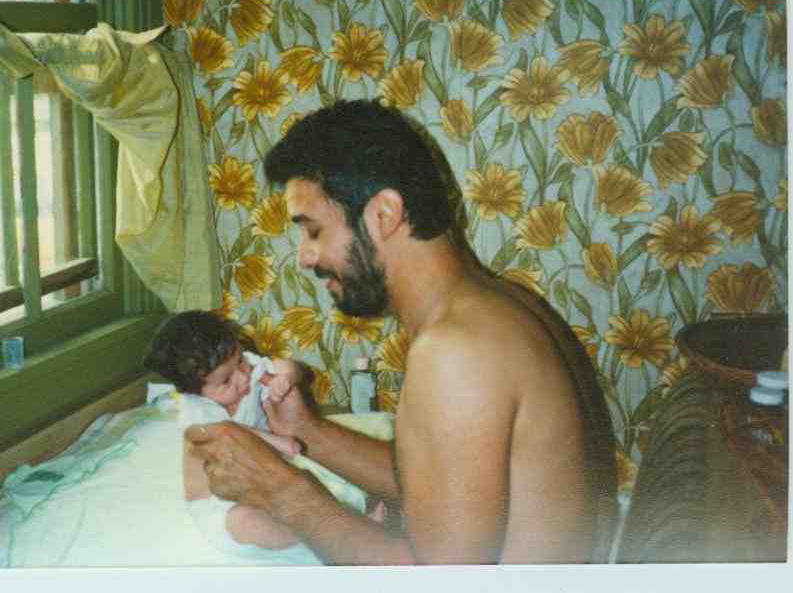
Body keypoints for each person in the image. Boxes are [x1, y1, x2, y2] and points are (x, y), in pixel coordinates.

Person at [185, 99, 616, 565]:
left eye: (313, 231)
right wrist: (306, 430)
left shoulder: (456, 351)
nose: (304, 257)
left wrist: (281, 492)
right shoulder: (503, 305)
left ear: (384, 215)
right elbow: (449, 488)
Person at [146, 310, 385, 553]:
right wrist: (278, 441)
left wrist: (286, 377)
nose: (242, 377)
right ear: (194, 391)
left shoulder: (246, 368)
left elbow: (289, 366)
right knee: (245, 522)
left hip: (270, 469)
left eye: (240, 361)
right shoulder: (196, 411)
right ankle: (316, 531)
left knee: (325, 476)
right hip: (222, 495)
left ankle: (352, 515)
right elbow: (229, 434)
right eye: (226, 381)